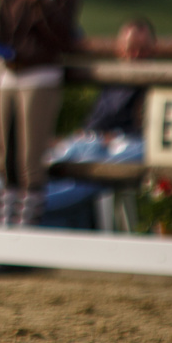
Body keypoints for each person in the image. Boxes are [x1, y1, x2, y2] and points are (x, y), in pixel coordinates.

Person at [0, 0, 80, 228]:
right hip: (8, 75)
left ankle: (26, 235)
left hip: (39, 76)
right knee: (6, 160)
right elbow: (0, 29)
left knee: (31, 161)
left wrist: (39, 1)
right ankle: (4, 231)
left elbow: (66, 36)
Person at [39, 16, 153, 229]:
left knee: (88, 176)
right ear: (119, 48)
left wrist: (109, 137)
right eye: (130, 48)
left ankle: (37, 208)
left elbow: (145, 129)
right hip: (92, 141)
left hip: (121, 147)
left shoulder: (154, 81)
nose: (135, 55)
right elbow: (97, 119)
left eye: (142, 49)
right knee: (50, 163)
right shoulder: (112, 76)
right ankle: (32, 209)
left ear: (151, 50)